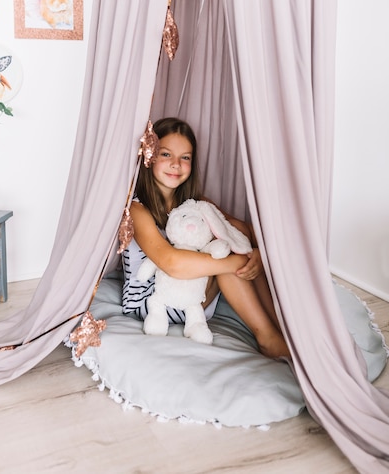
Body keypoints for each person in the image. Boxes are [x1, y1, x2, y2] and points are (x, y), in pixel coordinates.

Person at [122, 117, 289, 359]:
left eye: (185, 158)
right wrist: (232, 262)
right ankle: (267, 338)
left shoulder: (196, 205)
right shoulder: (137, 210)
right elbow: (171, 262)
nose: (176, 165)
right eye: (166, 154)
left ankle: (282, 327)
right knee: (230, 255)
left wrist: (260, 254)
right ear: (150, 157)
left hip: (193, 299)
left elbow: (242, 230)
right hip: (153, 302)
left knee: (236, 244)